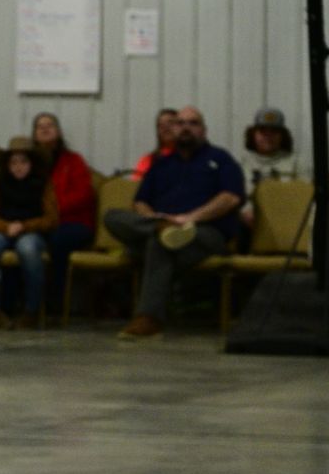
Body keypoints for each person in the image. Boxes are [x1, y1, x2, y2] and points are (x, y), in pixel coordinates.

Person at [105, 106, 245, 339]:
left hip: (205, 231)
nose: (185, 128)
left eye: (193, 123)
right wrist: (155, 219)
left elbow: (231, 198)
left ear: (204, 130)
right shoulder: (162, 164)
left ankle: (148, 319)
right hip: (163, 225)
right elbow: (140, 201)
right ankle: (160, 229)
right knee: (112, 216)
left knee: (159, 244)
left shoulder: (221, 159)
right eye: (180, 123)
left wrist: (188, 219)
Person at [0, 137, 59, 329]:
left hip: (32, 231)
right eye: (13, 162)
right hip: (3, 228)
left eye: (23, 162)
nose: (18, 167)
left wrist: (25, 226)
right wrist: (6, 227)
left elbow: (51, 218)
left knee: (28, 249)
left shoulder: (43, 183)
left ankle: (31, 310)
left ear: (32, 163)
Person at [30, 113, 95, 313]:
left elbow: (83, 195)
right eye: (40, 126)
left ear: (58, 132)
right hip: (40, 222)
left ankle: (55, 303)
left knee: (58, 241)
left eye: (50, 125)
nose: (45, 128)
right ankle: (23, 304)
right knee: (24, 241)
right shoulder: (28, 163)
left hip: (73, 222)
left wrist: (52, 210)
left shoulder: (73, 161)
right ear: (34, 134)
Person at [239, 107, 301, 229]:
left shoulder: (297, 162)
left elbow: (305, 195)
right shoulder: (242, 163)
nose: (268, 136)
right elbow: (236, 196)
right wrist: (245, 210)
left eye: (274, 132)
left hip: (289, 219)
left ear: (283, 136)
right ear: (253, 135)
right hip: (252, 223)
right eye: (262, 132)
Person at [132, 108, 178, 181]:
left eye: (170, 122)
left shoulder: (191, 158)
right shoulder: (147, 161)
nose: (165, 127)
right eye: (161, 125)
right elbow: (137, 185)